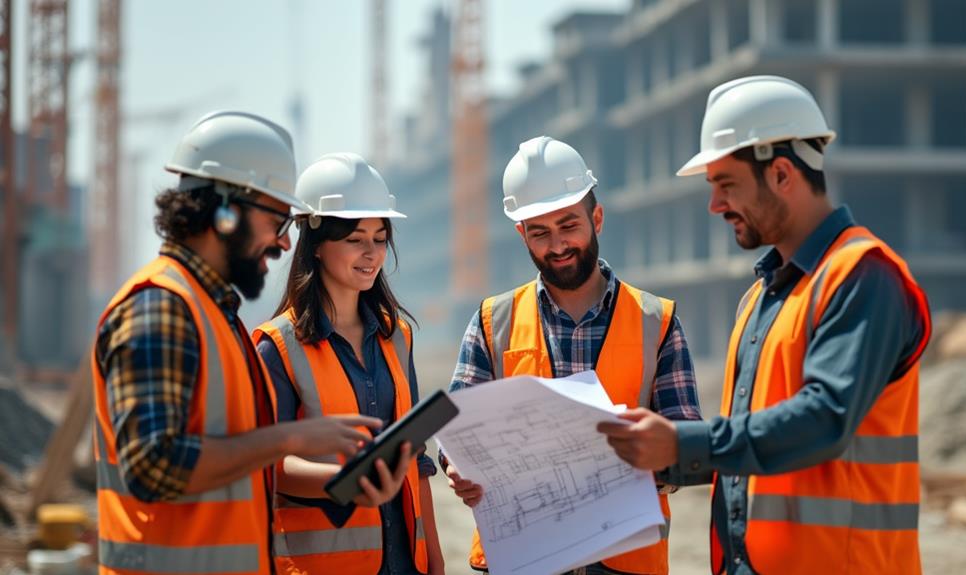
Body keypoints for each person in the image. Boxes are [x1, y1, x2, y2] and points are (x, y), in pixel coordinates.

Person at [597, 76, 931, 575]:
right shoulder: (760, 298)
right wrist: (660, 454)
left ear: (781, 174)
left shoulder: (862, 275)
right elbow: (752, 445)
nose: (714, 205)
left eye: (726, 184)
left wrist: (687, 443)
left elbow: (825, 419)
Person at [93, 112, 382, 575]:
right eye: (277, 219)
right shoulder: (161, 310)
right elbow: (153, 465)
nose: (285, 244)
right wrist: (291, 438)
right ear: (226, 211)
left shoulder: (213, 313)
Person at [444, 136, 702, 575]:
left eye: (569, 225)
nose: (558, 245)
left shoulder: (655, 322)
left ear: (596, 218)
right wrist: (459, 469)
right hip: (520, 559)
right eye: (540, 232)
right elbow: (454, 431)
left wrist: (621, 464)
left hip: (624, 562)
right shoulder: (493, 321)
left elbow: (687, 450)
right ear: (521, 234)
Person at [254, 153, 444, 575]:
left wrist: (433, 556)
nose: (371, 253)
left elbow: (416, 458)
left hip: (404, 564)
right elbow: (266, 464)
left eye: (379, 238)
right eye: (355, 239)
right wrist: (342, 484)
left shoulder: (398, 337)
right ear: (317, 245)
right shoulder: (277, 347)